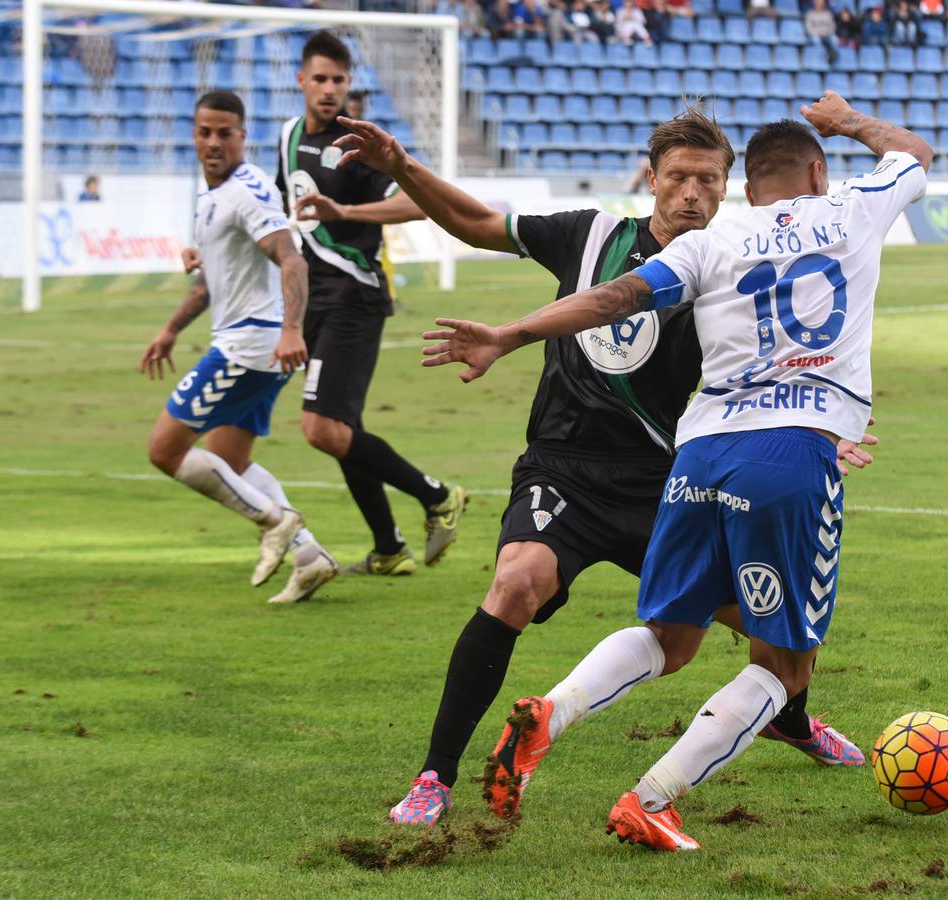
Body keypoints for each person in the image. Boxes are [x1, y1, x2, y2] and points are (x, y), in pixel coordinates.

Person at [330, 108, 870, 827]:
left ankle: (788, 719)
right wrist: (402, 167)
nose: (691, 195)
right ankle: (436, 775)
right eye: (678, 177)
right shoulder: (589, 236)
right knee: (516, 582)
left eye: (708, 181)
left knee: (778, 626)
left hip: (670, 483)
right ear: (651, 179)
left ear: (727, 188)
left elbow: (790, 367)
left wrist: (821, 431)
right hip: (567, 468)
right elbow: (475, 223)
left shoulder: (735, 266)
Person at [431, 92, 932, 851]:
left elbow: (613, 297)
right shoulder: (857, 206)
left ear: (745, 185)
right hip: (789, 455)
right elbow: (916, 154)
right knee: (788, 665)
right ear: (819, 171)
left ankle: (552, 713)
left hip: (697, 458)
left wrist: (509, 333)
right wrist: (850, 121)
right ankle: (653, 796)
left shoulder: (710, 242)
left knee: (672, 634)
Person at [279, 31, 467, 576]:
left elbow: (416, 204)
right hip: (316, 299)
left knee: (321, 429)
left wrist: (345, 212)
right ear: (302, 81)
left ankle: (436, 496)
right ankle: (388, 549)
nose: (330, 88)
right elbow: (282, 208)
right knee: (343, 429)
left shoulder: (355, 146)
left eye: (339, 79)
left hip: (353, 298)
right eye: (320, 78)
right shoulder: (289, 134)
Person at [139, 90, 336, 606]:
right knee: (229, 458)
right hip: (260, 346)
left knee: (165, 450)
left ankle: (275, 521)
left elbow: (292, 261)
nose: (213, 142)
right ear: (194, 134)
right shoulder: (213, 197)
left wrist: (293, 329)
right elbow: (209, 285)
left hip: (251, 345)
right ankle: (309, 556)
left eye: (224, 133)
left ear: (242, 136)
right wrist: (171, 330)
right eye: (205, 132)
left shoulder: (246, 194)